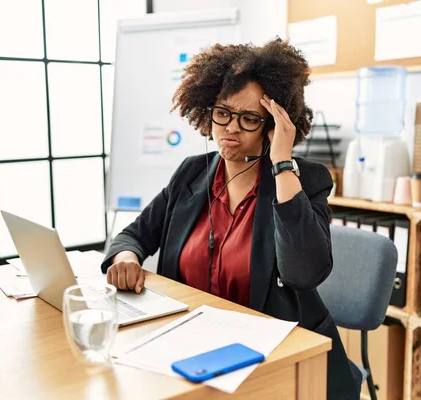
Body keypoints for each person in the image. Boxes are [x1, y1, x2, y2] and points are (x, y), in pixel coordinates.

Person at [101, 38, 360, 399]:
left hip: (277, 358)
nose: (230, 128)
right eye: (222, 112)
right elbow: (135, 234)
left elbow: (303, 273)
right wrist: (127, 257)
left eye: (249, 118)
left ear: (273, 125)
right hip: (195, 348)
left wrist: (282, 161)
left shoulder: (305, 180)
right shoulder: (192, 174)